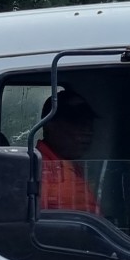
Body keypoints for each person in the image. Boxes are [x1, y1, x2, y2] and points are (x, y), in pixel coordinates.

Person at [36, 86, 100, 214]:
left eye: (89, 123)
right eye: (76, 122)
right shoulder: (39, 170)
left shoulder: (70, 166)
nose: (87, 131)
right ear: (49, 124)